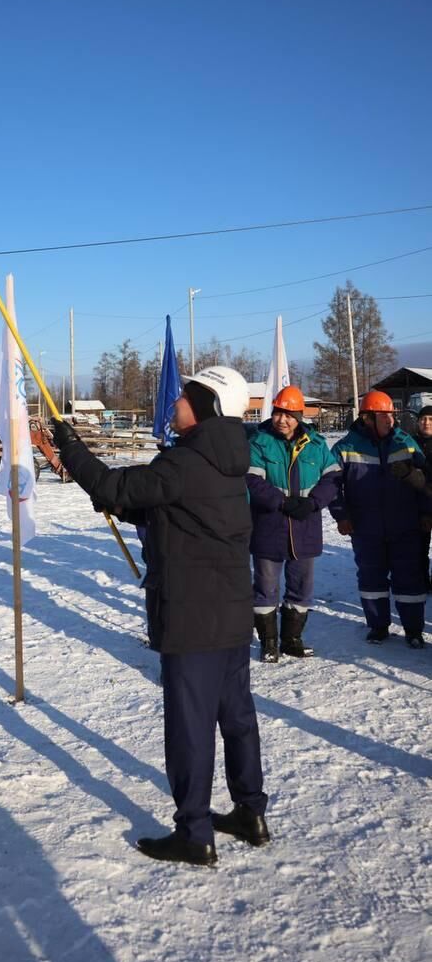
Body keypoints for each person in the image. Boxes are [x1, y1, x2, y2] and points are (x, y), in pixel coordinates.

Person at [53, 366, 268, 868]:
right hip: (231, 614)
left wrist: (72, 447)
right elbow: (170, 509)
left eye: (185, 397)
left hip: (194, 618)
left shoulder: (188, 461)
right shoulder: (227, 459)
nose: (174, 403)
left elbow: (117, 485)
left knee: (191, 726)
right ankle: (249, 813)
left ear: (209, 406)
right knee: (236, 717)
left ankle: (195, 832)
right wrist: (117, 501)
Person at [246, 386, 341, 662]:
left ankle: (292, 639)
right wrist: (281, 502)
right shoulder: (259, 442)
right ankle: (269, 642)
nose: (282, 420)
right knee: (266, 587)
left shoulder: (317, 444)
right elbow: (252, 480)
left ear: (299, 416)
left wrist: (313, 503)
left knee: (301, 587)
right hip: (269, 526)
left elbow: (333, 478)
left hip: (305, 527)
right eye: (278, 413)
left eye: (288, 414)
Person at [330, 390, 428, 648]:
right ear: (366, 418)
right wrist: (342, 516)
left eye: (391, 415)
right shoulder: (344, 448)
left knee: (410, 578)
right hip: (365, 527)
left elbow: (426, 480)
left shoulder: (406, 443)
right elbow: (331, 487)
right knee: (372, 578)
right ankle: (378, 626)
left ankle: (414, 629)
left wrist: (427, 513)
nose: (390, 420)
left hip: (406, 525)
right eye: (383, 415)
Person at [412, 404, 432, 591]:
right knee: (420, 549)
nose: (426, 422)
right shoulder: (409, 443)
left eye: (431, 419)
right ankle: (422, 581)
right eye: (423, 419)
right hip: (417, 506)